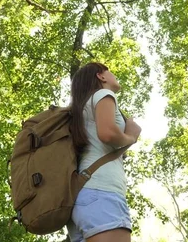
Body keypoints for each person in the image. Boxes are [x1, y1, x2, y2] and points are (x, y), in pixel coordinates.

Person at [67, 62, 143, 242]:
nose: (113, 75)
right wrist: (130, 137)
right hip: (102, 193)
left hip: (81, 200)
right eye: (109, 71)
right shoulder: (103, 94)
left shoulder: (81, 109)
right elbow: (107, 134)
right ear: (101, 76)